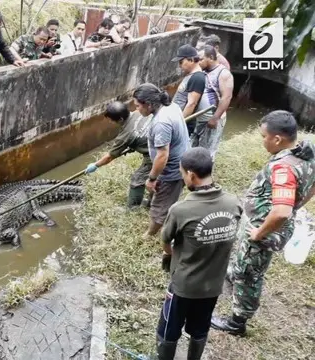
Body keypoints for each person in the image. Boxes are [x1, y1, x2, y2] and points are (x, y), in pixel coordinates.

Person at [212, 111, 315, 336]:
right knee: (246, 264)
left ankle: (237, 322)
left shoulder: (284, 168)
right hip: (265, 222)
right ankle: (236, 271)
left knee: (250, 274)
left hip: (265, 227)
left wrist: (259, 232)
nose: (262, 141)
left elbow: (281, 212)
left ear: (277, 139)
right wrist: (298, 203)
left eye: (264, 136)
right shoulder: (307, 152)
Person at [156, 147, 242, 360]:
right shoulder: (234, 203)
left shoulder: (181, 209)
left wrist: (168, 256)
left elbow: (166, 241)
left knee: (168, 331)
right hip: (212, 286)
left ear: (191, 175)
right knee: (200, 329)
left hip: (183, 286)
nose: (183, 178)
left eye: (182, 174)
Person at [133, 83, 189, 238]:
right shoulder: (172, 107)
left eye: (138, 106)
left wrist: (151, 178)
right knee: (161, 197)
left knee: (161, 207)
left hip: (172, 171)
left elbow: (162, 155)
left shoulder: (161, 123)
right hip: (183, 160)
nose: (136, 109)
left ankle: (150, 234)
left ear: (149, 104)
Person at [85, 101, 154, 209]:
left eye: (112, 120)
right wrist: (134, 144)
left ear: (121, 119)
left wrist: (95, 165)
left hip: (154, 154)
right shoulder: (139, 112)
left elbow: (109, 157)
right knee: (158, 178)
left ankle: (133, 209)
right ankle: (151, 202)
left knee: (138, 179)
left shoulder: (124, 136)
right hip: (162, 143)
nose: (111, 122)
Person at [195, 45, 233, 159]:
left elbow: (226, 97)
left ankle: (205, 174)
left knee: (207, 151)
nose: (198, 62)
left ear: (211, 57)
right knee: (195, 147)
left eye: (201, 59)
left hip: (212, 118)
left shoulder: (223, 73)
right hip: (199, 118)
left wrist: (215, 118)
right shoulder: (203, 71)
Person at [171, 44, 210, 136]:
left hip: (183, 124)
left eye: (181, 62)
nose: (179, 65)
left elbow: (191, 104)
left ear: (191, 60)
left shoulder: (197, 77)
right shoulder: (191, 76)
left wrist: (179, 123)